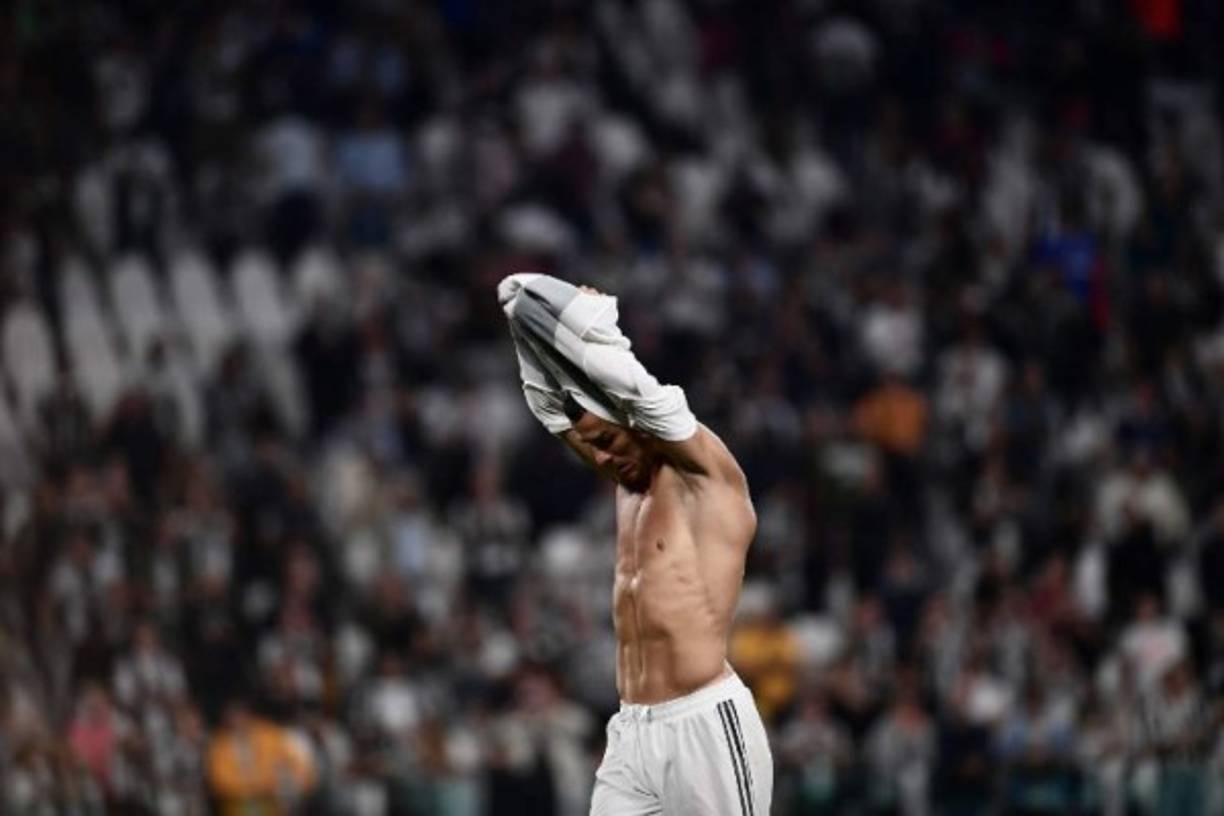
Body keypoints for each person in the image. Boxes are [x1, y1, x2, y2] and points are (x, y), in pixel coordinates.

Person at [500, 273, 773, 815]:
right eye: (591, 447)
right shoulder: (628, 480)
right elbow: (550, 408)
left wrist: (584, 321)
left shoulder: (703, 474)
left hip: (704, 724)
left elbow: (633, 387)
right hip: (632, 730)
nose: (598, 457)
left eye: (605, 441)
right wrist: (517, 318)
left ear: (630, 420)